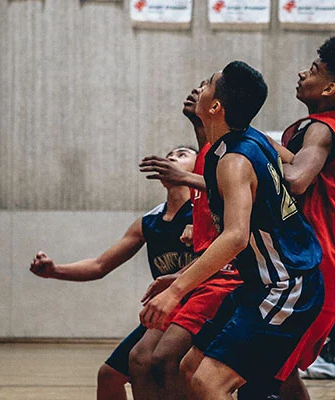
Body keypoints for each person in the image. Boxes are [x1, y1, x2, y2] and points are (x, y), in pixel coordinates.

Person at [140, 61, 324, 399]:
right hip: (259, 281)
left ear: (215, 106)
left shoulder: (234, 160)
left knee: (211, 382)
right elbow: (289, 167)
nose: (201, 86)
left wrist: (176, 291)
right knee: (190, 368)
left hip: (286, 284)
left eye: (208, 84)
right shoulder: (246, 141)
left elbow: (236, 237)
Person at [29, 146, 198, 400]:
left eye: (182, 154)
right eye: (170, 154)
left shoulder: (206, 213)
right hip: (164, 311)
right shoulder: (150, 221)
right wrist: (54, 271)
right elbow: (100, 265)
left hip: (200, 306)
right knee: (109, 375)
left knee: (158, 368)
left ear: (199, 169)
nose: (172, 157)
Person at [267, 35, 335, 399]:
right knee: (278, 371)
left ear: (329, 87)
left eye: (313, 70)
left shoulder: (321, 129)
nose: (303, 73)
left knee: (260, 367)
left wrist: (253, 154)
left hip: (317, 264)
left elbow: (296, 181)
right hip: (333, 262)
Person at [128, 81, 242, 400]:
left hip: (230, 277)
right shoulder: (154, 218)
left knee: (175, 364)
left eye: (206, 88)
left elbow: (235, 225)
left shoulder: (231, 154)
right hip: (197, 282)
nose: (198, 90)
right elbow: (99, 264)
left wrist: (178, 284)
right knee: (140, 361)